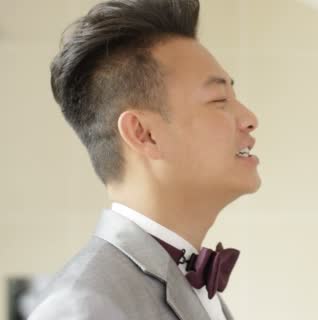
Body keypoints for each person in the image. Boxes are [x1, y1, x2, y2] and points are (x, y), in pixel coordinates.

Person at [28, 0, 260, 319]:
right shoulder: (81, 306)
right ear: (143, 133)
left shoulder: (190, 287)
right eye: (220, 100)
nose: (249, 118)